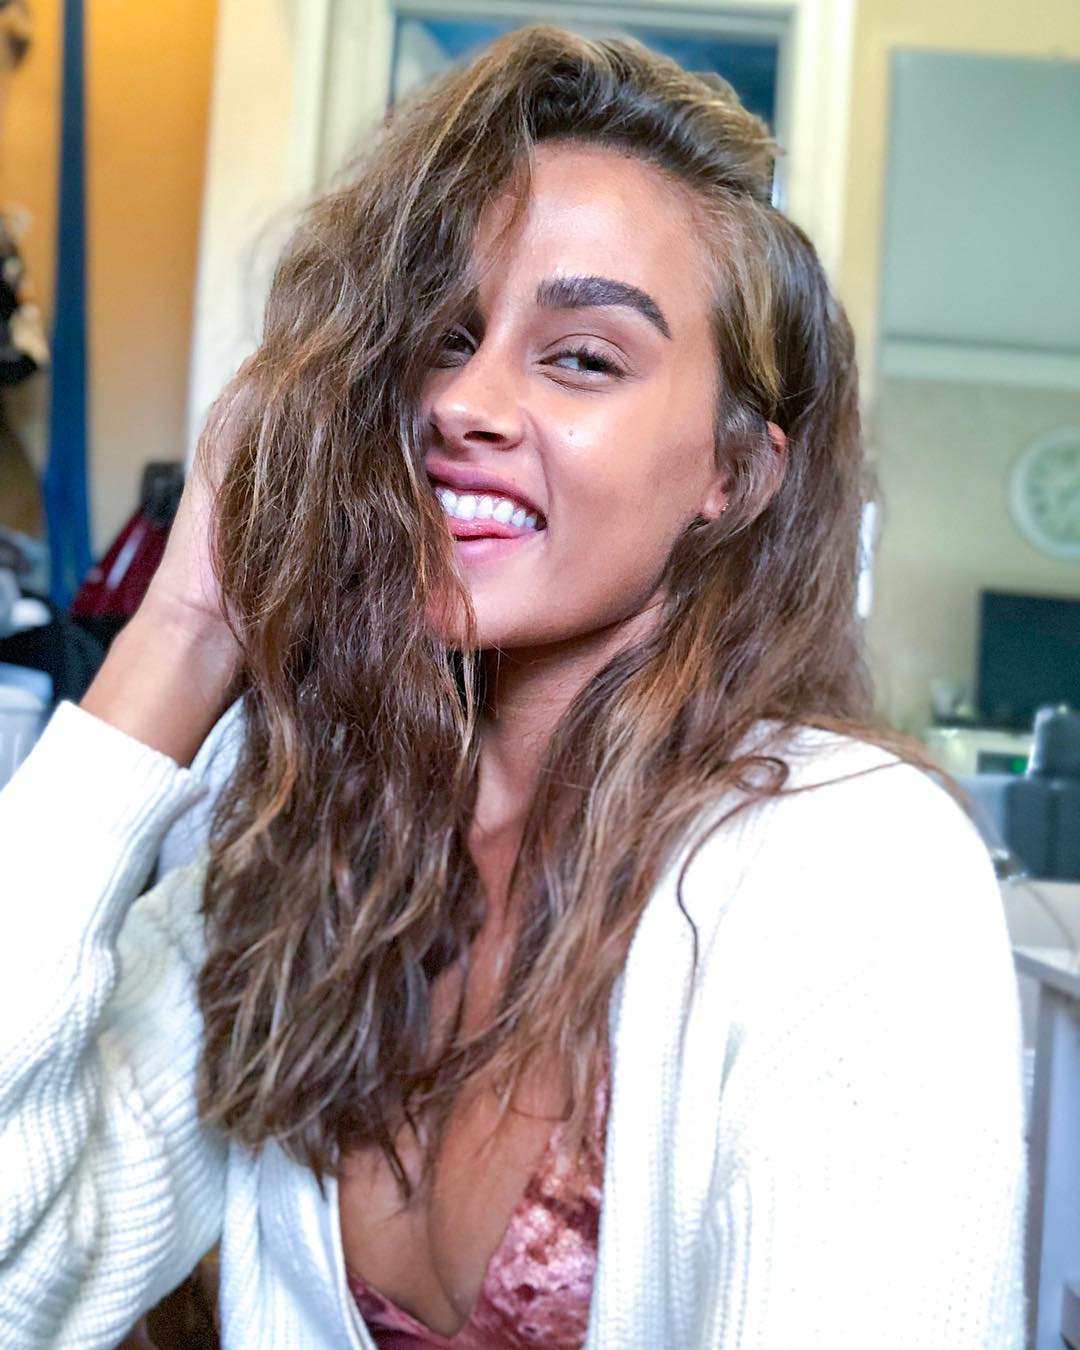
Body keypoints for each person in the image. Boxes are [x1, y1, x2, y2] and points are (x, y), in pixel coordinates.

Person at [0, 25, 1026, 1349]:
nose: (462, 403)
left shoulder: (851, 865)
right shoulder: (305, 850)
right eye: (439, 337)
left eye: (582, 356)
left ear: (735, 473)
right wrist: (188, 627)